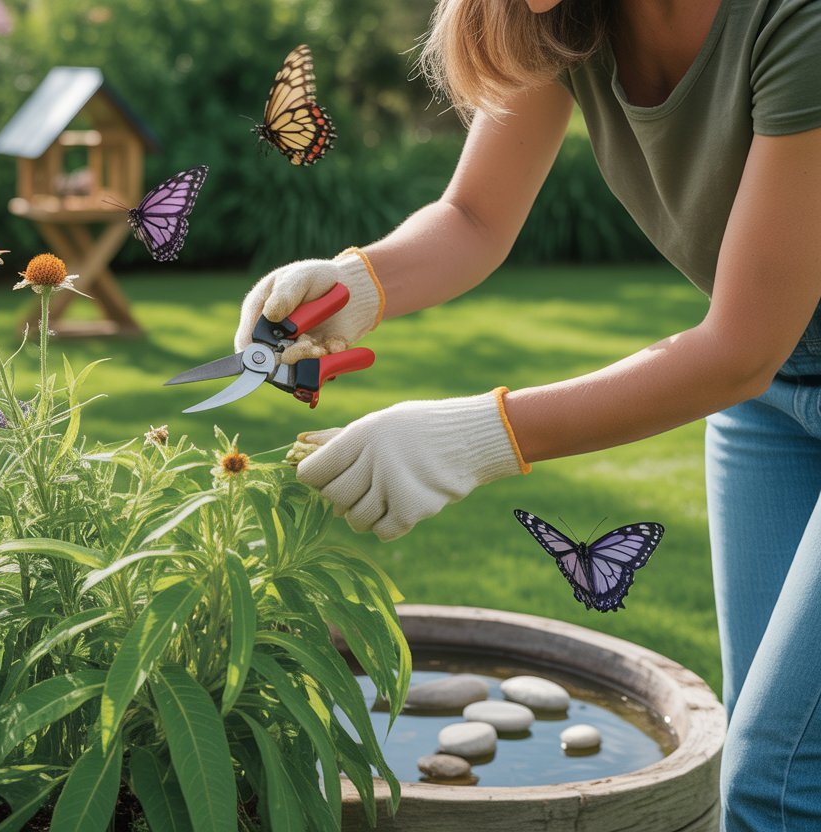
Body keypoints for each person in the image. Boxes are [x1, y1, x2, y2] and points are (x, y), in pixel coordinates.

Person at [235, 1, 821, 829]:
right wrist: (353, 283)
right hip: (771, 403)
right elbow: (475, 216)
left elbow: (740, 346)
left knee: (777, 775)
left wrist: (474, 438)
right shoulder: (567, 18)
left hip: (753, 366)